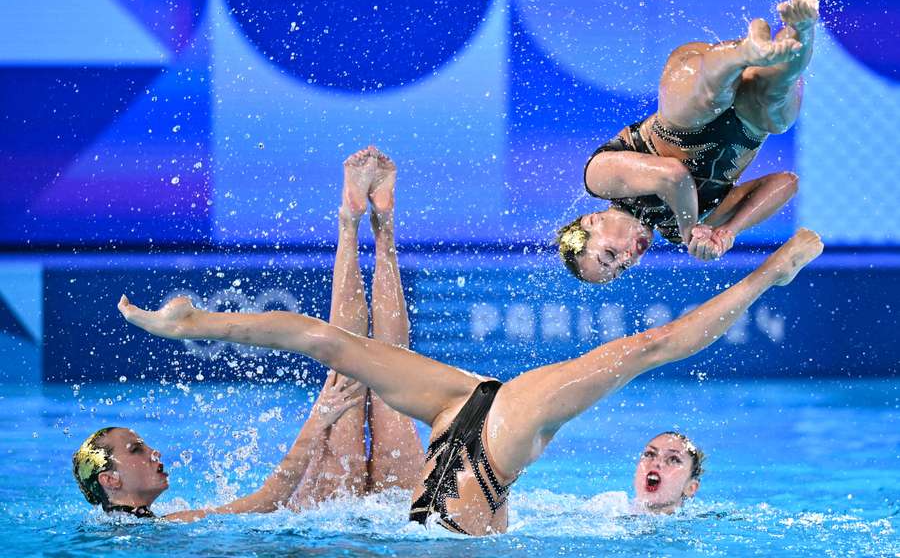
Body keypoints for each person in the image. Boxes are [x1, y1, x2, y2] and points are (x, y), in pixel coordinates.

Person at [119, 207, 823, 535]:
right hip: (481, 446)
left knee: (333, 344)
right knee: (645, 347)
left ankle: (197, 323)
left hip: (471, 440)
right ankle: (193, 322)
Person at [74, 147, 424, 521]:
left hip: (344, 528)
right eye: (136, 450)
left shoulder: (152, 527)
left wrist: (323, 416)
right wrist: (317, 417)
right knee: (388, 379)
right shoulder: (162, 527)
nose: (153, 453)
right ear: (110, 480)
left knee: (367, 389)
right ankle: (374, 225)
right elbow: (267, 499)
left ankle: (358, 222)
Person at [557, 0, 819, 284]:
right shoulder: (684, 226)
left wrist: (689, 229)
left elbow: (673, 175)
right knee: (777, 98)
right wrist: (727, 231)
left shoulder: (599, 180)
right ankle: (802, 26)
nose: (628, 259)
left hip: (691, 87)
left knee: (700, 105)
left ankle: (746, 51)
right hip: (749, 124)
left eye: (609, 255)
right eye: (622, 269)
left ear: (592, 221)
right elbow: (785, 183)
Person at [633, 432, 704, 514]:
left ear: (690, 488)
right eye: (650, 454)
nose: (657, 463)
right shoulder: (616, 509)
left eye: (673, 459)